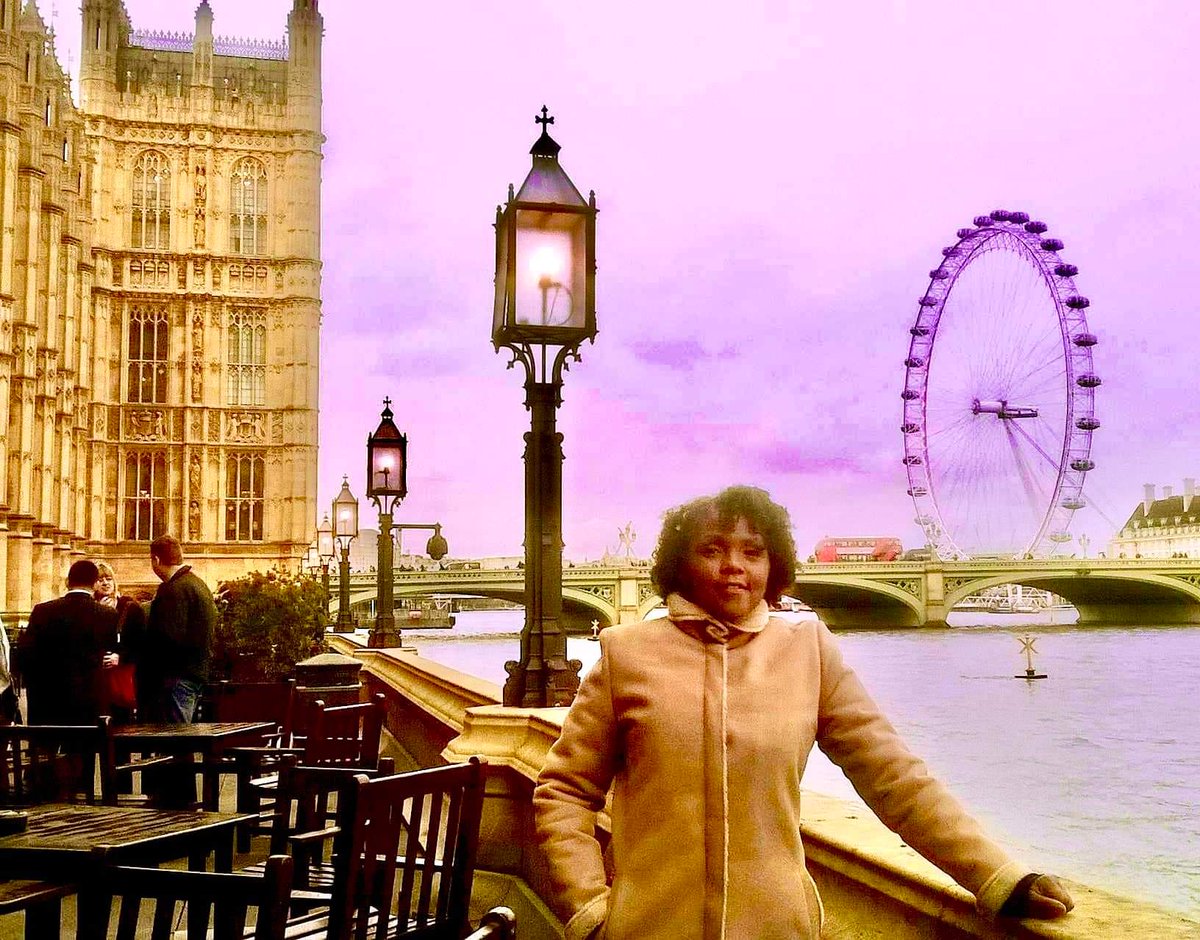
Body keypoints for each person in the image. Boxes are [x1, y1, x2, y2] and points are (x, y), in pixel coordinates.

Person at [533, 486, 1074, 939]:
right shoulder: (627, 653)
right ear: (681, 563)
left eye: (752, 551)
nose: (734, 568)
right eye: (712, 550)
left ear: (775, 565)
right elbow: (564, 791)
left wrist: (998, 876)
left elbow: (894, 777)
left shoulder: (808, 648)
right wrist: (589, 910)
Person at [16, 559, 118, 725]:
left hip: (48, 698)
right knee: (84, 748)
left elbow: (25, 654)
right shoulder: (107, 614)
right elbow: (108, 652)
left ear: (67, 582)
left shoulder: (42, 610)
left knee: (47, 747)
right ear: (94, 584)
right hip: (88, 700)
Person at [144, 535, 217, 724]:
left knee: (176, 737)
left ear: (156, 560)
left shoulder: (174, 590)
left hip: (176, 675)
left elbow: (169, 636)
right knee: (182, 735)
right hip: (195, 671)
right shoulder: (197, 584)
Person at [94, 561, 148, 722]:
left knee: (121, 723)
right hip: (97, 679)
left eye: (108, 579)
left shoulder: (129, 608)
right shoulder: (89, 608)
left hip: (121, 677)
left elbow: (141, 645)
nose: (105, 583)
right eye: (100, 579)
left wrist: (121, 658)